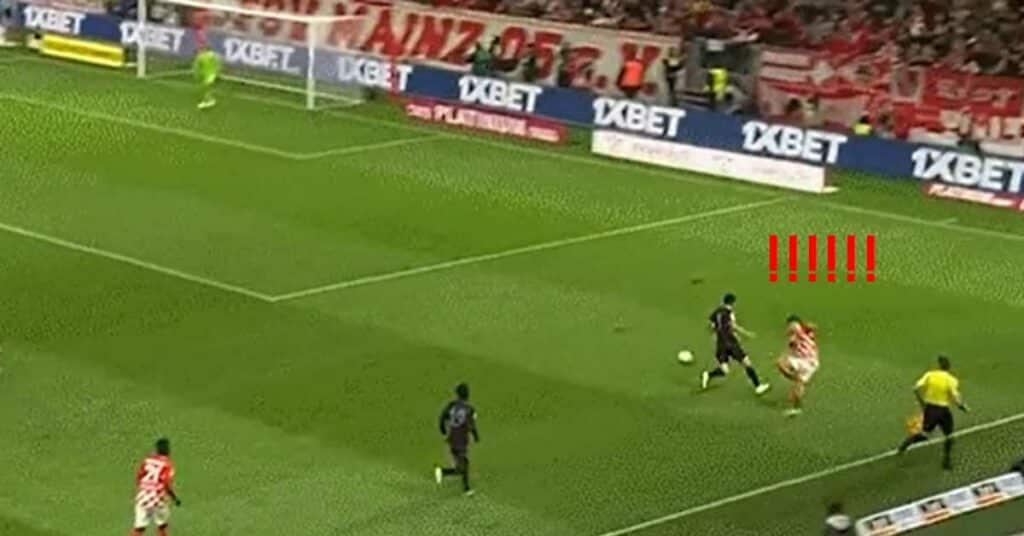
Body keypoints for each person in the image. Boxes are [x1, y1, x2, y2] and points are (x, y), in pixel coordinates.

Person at [897, 356, 968, 470]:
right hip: (943, 410)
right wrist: (962, 406)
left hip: (930, 409)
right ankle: (946, 461)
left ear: (939, 365)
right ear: (948, 367)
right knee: (949, 436)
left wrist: (922, 402)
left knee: (926, 434)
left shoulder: (930, 375)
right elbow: (955, 396)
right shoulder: (951, 380)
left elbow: (916, 388)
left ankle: (905, 444)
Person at [700, 293, 771, 395]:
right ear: (732, 303)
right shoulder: (729, 312)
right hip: (731, 343)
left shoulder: (716, 312)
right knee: (746, 363)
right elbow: (733, 326)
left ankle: (708, 375)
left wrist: (718, 333)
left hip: (721, 344)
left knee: (725, 370)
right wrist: (747, 334)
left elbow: (710, 326)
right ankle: (758, 386)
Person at [434, 383, 480, 496]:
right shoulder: (469, 409)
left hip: (452, 439)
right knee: (462, 466)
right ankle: (443, 472)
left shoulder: (451, 406)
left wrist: (444, 433)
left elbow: (441, 419)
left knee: (463, 464)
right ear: (467, 395)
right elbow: (472, 425)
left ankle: (465, 488)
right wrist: (476, 436)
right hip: (461, 441)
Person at [131, 438, 181, 536]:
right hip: (158, 497)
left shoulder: (147, 460)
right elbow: (166, 484)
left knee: (139, 528)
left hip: (143, 496)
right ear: (168, 450)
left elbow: (138, 476)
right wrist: (174, 498)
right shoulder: (167, 464)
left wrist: (143, 490)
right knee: (162, 526)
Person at [776, 315, 819, 417]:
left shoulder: (799, 331)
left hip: (807, 361)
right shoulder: (799, 334)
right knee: (782, 364)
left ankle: (796, 406)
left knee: (781, 363)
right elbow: (793, 344)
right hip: (804, 360)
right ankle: (796, 406)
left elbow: (807, 329)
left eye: (792, 324)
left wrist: (804, 329)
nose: (790, 327)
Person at [192, 44, 221, 110]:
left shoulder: (202, 57)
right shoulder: (213, 56)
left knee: (206, 87)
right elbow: (218, 64)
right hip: (209, 75)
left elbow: (196, 67)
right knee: (207, 88)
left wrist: (197, 75)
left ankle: (207, 101)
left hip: (210, 75)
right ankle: (209, 100)